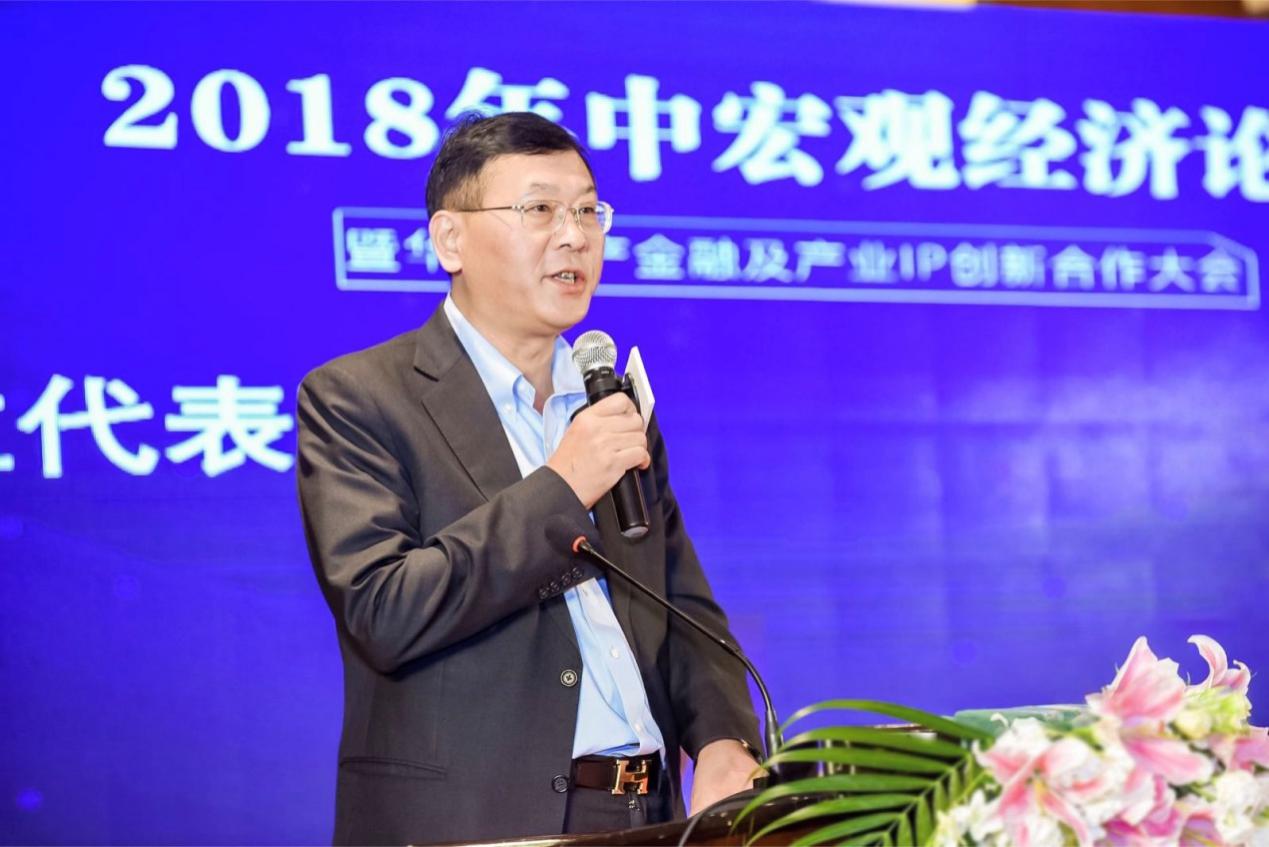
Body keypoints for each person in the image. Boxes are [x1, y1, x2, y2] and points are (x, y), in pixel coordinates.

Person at [296, 111, 761, 846]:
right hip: (476, 822)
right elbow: (384, 610)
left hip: (648, 815)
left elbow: (679, 604)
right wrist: (562, 486)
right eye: (540, 209)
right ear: (450, 239)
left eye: (587, 211)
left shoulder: (610, 403)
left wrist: (723, 739)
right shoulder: (359, 397)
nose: (574, 236)